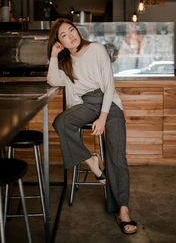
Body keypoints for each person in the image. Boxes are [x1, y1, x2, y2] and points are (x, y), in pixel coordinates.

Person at [47, 18, 138, 235]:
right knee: (61, 121)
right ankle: (93, 162)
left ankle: (123, 210)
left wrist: (103, 117)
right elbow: (52, 80)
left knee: (117, 157)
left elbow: (109, 85)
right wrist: (53, 56)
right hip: (87, 104)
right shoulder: (65, 61)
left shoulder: (96, 49)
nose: (71, 36)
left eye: (72, 30)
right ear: (59, 42)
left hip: (109, 103)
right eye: (64, 35)